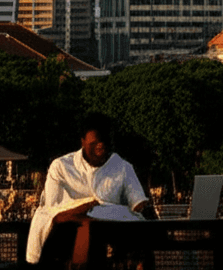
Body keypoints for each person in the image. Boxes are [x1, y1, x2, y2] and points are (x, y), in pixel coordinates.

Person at [26, 113, 150, 266]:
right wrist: (81, 210)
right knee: (88, 231)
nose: (100, 147)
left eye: (104, 143)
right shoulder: (61, 167)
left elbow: (138, 203)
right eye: (94, 143)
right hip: (66, 240)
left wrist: (142, 208)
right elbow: (51, 211)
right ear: (83, 141)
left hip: (112, 239)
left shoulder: (123, 167)